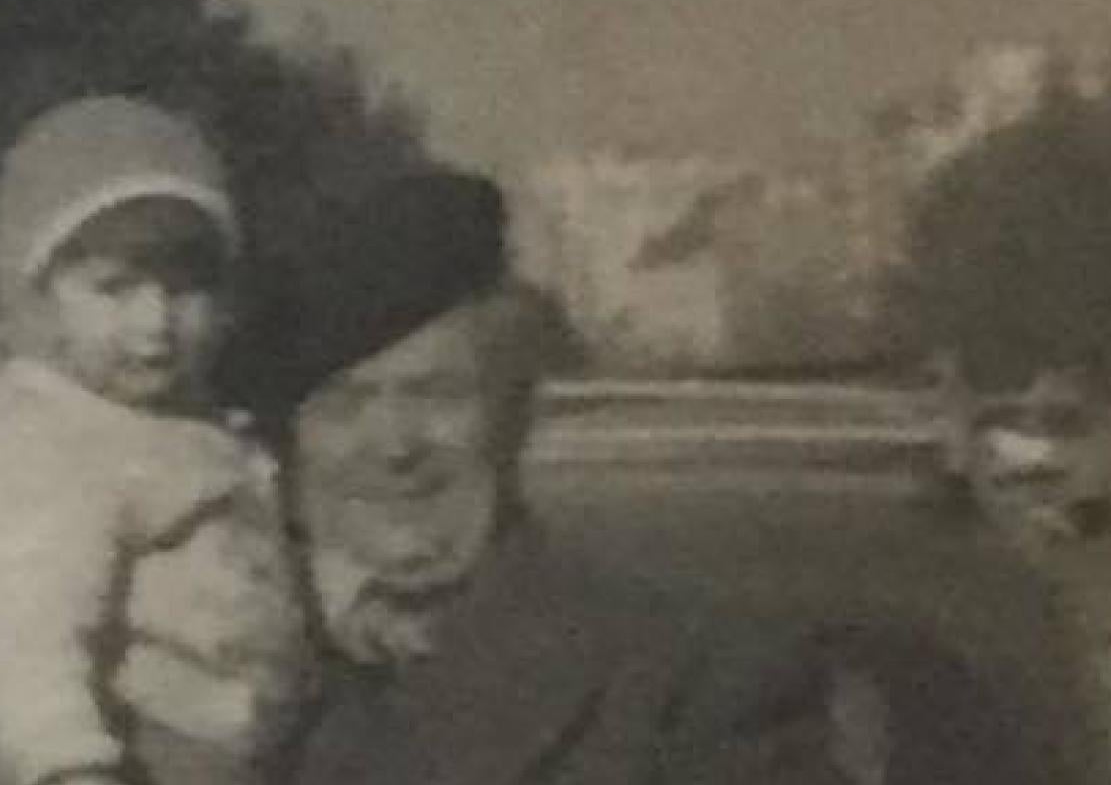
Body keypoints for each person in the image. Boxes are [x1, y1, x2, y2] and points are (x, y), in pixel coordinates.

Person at [266, 170, 854, 785]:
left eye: (437, 394)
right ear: (285, 444)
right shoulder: (231, 656)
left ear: (513, 417)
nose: (394, 446)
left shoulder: (697, 677)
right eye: (343, 405)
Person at [0, 97, 310, 785]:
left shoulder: (193, 422)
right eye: (114, 288)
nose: (155, 321)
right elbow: (27, 627)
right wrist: (65, 758)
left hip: (218, 747)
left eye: (185, 289)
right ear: (40, 298)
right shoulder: (39, 434)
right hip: (103, 743)